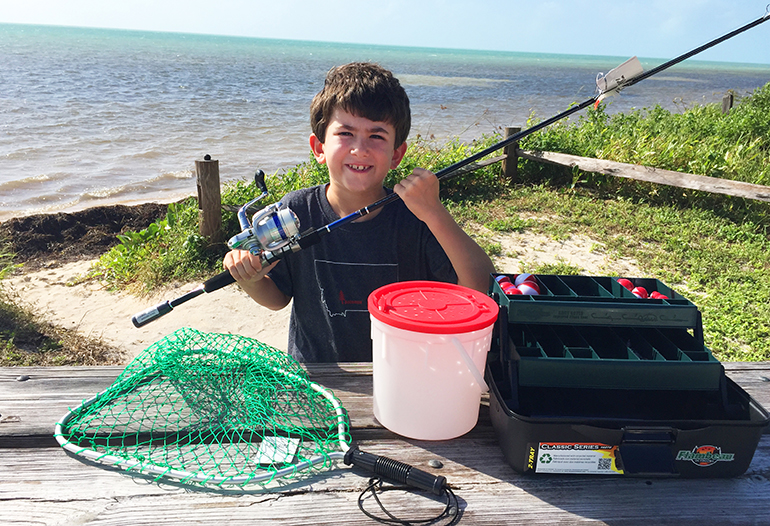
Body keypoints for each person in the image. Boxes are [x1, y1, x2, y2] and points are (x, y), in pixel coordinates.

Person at [224, 62, 495, 362]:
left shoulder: (416, 216)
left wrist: (435, 212)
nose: (360, 149)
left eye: (377, 136)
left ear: (396, 154)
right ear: (319, 147)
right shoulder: (296, 211)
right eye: (346, 133)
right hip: (317, 377)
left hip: (403, 372)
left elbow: (481, 287)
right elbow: (277, 298)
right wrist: (249, 278)